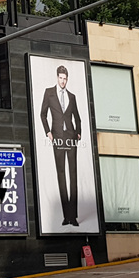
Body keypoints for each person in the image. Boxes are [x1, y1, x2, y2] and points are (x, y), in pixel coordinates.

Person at [40, 64, 83, 226]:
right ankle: (66, 216)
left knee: (73, 175)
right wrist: (48, 132)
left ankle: (74, 216)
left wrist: (78, 133)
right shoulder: (49, 93)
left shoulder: (72, 96)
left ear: (67, 79)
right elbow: (42, 114)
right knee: (61, 174)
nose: (63, 81)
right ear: (57, 77)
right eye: (60, 78)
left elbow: (77, 117)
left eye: (65, 79)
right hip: (57, 137)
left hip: (70, 138)